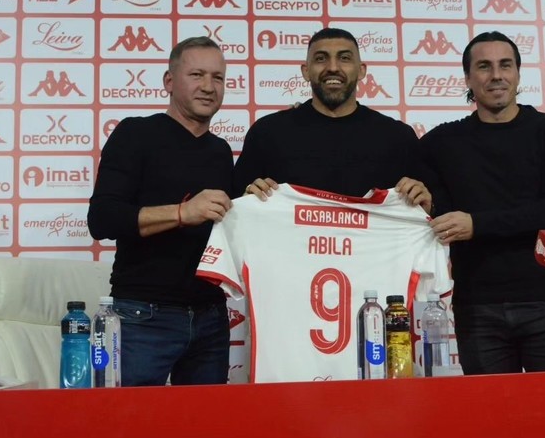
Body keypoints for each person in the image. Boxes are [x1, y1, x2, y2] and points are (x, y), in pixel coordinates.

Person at [420, 31, 545, 374]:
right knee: (490, 422)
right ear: (467, 78)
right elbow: (391, 174)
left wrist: (476, 224)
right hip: (478, 306)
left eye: (505, 65)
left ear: (518, 74)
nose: (496, 75)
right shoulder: (441, 143)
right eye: (484, 66)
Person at [87, 36, 234, 386]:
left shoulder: (221, 151)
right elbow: (103, 218)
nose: (208, 87)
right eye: (196, 74)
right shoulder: (135, 133)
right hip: (142, 315)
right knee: (125, 424)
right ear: (169, 81)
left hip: (211, 317)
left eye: (218, 78)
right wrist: (183, 212)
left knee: (206, 426)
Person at [235, 27, 431, 211]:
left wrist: (426, 203)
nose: (333, 67)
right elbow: (236, 206)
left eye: (344, 58)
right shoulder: (267, 133)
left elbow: (426, 211)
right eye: (321, 59)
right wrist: (246, 201)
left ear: (361, 70)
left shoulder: (398, 137)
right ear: (305, 71)